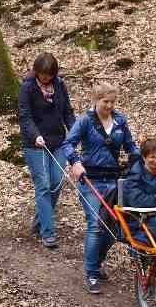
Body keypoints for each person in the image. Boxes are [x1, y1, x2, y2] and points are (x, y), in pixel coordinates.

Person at [59, 82, 141, 294]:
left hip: (114, 180)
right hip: (91, 180)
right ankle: (91, 273)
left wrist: (137, 157)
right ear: (96, 100)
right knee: (96, 224)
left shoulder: (120, 121)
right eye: (106, 102)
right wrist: (75, 162)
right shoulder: (85, 121)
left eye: (113, 102)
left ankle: (97, 261)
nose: (110, 106)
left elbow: (130, 145)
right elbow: (68, 144)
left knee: (114, 228)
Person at [18, 52, 75, 249]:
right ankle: (48, 233)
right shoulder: (27, 87)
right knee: (43, 185)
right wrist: (35, 135)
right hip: (35, 144)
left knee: (56, 182)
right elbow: (25, 117)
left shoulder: (59, 85)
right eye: (42, 74)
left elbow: (68, 111)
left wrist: (74, 133)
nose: (45, 78)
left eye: (48, 74)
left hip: (57, 140)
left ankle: (40, 219)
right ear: (36, 71)